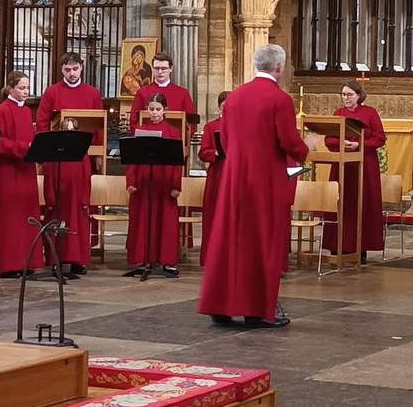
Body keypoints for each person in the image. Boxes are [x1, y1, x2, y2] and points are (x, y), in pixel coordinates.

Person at [198, 44, 310, 328]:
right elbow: (287, 141)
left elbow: (224, 140)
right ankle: (257, 311)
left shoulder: (234, 97)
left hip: (234, 179)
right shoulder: (279, 99)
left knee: (230, 240)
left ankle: (220, 308)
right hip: (265, 180)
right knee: (262, 241)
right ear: (280, 67)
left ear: (256, 64)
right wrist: (305, 150)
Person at [35, 53, 102, 275]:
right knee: (56, 207)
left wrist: (99, 155)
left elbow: (99, 125)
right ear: (61, 70)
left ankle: (78, 258)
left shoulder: (92, 93)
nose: (71, 73)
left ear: (81, 67)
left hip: (81, 159)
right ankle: (55, 256)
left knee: (80, 208)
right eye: (67, 70)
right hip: (56, 159)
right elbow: (43, 123)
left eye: (75, 68)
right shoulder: (52, 92)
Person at [323, 80, 386, 262]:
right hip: (342, 165)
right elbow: (329, 140)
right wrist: (342, 143)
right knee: (340, 203)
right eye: (343, 94)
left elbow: (380, 138)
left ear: (359, 95)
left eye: (349, 94)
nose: (346, 98)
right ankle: (336, 246)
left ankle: (361, 248)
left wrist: (359, 144)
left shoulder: (370, 113)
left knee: (361, 204)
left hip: (364, 165)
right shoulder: (338, 113)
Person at [0, 71, 44, 276]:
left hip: (26, 169)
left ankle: (26, 262)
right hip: (8, 171)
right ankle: (8, 264)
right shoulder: (1, 111)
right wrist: (24, 147)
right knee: (9, 221)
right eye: (22, 88)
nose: (26, 92)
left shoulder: (27, 112)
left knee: (26, 218)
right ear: (10, 88)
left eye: (27, 88)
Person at [125, 94, 183, 278]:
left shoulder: (174, 132)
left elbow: (177, 163)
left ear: (165, 110)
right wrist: (131, 181)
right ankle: (142, 260)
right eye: (151, 109)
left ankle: (167, 261)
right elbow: (132, 161)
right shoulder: (140, 130)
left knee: (165, 221)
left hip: (164, 184)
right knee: (142, 220)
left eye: (158, 109)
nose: (154, 113)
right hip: (144, 183)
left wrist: (176, 186)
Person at [197, 91, 230, 266]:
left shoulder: (241, 125)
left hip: (234, 174)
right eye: (224, 106)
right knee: (213, 215)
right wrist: (215, 152)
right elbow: (203, 152)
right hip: (217, 174)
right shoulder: (211, 126)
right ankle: (211, 256)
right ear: (219, 107)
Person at [129, 52, 196, 134]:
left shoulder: (183, 93)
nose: (160, 72)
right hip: (147, 140)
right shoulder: (142, 92)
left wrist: (182, 139)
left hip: (174, 142)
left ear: (171, 68)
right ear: (153, 69)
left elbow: (192, 122)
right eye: (156, 68)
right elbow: (133, 120)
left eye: (163, 68)